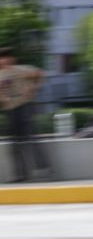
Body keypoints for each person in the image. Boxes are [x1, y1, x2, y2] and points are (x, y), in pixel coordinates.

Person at [0, 47, 51, 182]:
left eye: (6, 57)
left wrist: (32, 89)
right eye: (2, 58)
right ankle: (20, 174)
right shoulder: (1, 75)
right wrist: (3, 99)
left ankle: (43, 169)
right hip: (10, 110)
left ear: (12, 59)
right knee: (14, 144)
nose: (3, 61)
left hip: (24, 107)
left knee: (30, 138)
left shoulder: (21, 70)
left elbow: (39, 73)